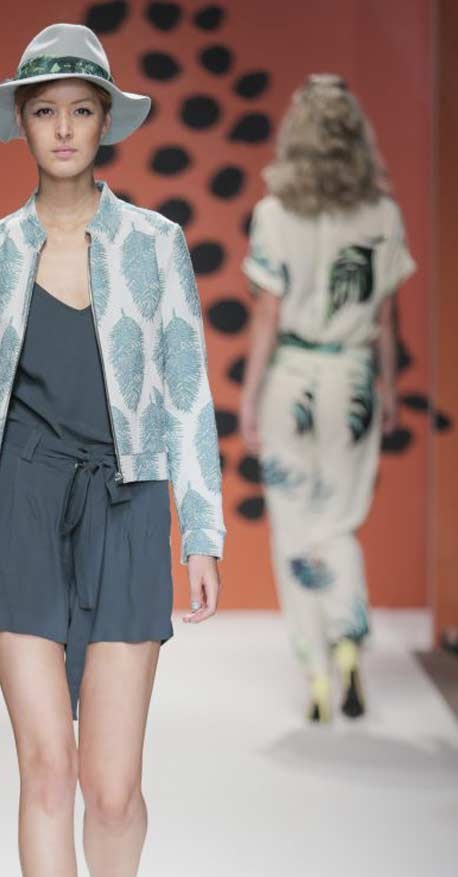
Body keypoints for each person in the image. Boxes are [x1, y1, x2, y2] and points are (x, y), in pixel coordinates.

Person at [0, 23, 225, 877]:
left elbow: (188, 389)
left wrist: (200, 529)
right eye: (46, 111)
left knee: (112, 790)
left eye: (81, 111)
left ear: (106, 124)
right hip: (15, 506)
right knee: (45, 771)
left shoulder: (155, 244)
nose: (63, 129)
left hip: (125, 502)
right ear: (22, 124)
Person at [239, 74, 416, 723]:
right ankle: (348, 641)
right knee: (339, 521)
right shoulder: (382, 215)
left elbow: (266, 315)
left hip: (292, 378)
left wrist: (250, 396)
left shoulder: (274, 213)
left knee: (294, 522)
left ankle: (314, 669)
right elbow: (387, 319)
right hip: (353, 380)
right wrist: (388, 389)